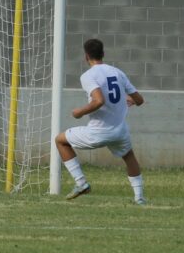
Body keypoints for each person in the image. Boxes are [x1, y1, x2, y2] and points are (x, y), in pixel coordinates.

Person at [55, 38, 146, 204]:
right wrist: (130, 101)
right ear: (103, 54)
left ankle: (81, 183)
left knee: (60, 140)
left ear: (86, 56)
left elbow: (99, 101)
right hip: (120, 131)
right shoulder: (118, 72)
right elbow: (139, 100)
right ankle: (139, 198)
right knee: (129, 157)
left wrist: (79, 113)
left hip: (99, 132)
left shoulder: (88, 75)